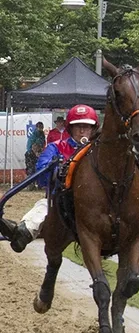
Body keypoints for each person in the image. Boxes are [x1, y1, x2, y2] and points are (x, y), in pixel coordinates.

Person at [0, 105, 98, 252]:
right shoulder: (56, 147)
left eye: (87, 127)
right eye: (78, 126)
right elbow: (41, 175)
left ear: (93, 129)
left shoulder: (100, 150)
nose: (82, 131)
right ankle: (22, 232)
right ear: (70, 129)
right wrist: (59, 173)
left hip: (96, 203)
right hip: (61, 200)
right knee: (43, 208)